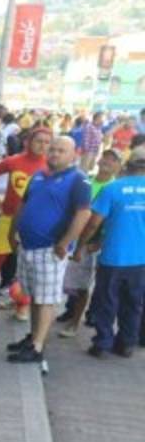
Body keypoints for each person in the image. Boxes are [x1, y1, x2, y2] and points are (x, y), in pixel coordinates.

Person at [5, 136, 92, 364]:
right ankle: (33, 337)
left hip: (50, 249)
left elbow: (84, 213)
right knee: (35, 295)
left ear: (74, 154)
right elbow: (22, 205)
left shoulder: (78, 180)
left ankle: (37, 346)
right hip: (28, 246)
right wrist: (12, 231)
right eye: (52, 149)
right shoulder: (39, 176)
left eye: (61, 150)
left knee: (46, 300)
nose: (54, 153)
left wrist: (65, 242)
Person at [0, 126, 51, 318]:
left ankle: (22, 303)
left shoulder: (50, 167)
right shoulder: (14, 161)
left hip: (33, 225)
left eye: (46, 142)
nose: (42, 145)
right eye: (38, 141)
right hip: (8, 219)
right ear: (28, 142)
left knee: (30, 267)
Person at [81, 147, 145, 358]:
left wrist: (82, 244)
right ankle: (126, 343)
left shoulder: (113, 189)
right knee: (134, 303)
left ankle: (102, 343)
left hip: (114, 257)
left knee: (106, 301)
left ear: (128, 165)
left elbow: (93, 223)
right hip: (141, 260)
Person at [59, 148, 122, 338]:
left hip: (91, 242)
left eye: (113, 160)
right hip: (75, 236)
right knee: (70, 279)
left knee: (82, 285)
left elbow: (113, 221)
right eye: (106, 157)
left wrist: (100, 242)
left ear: (118, 166)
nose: (107, 162)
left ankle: (75, 322)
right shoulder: (88, 180)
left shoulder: (114, 187)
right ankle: (69, 312)